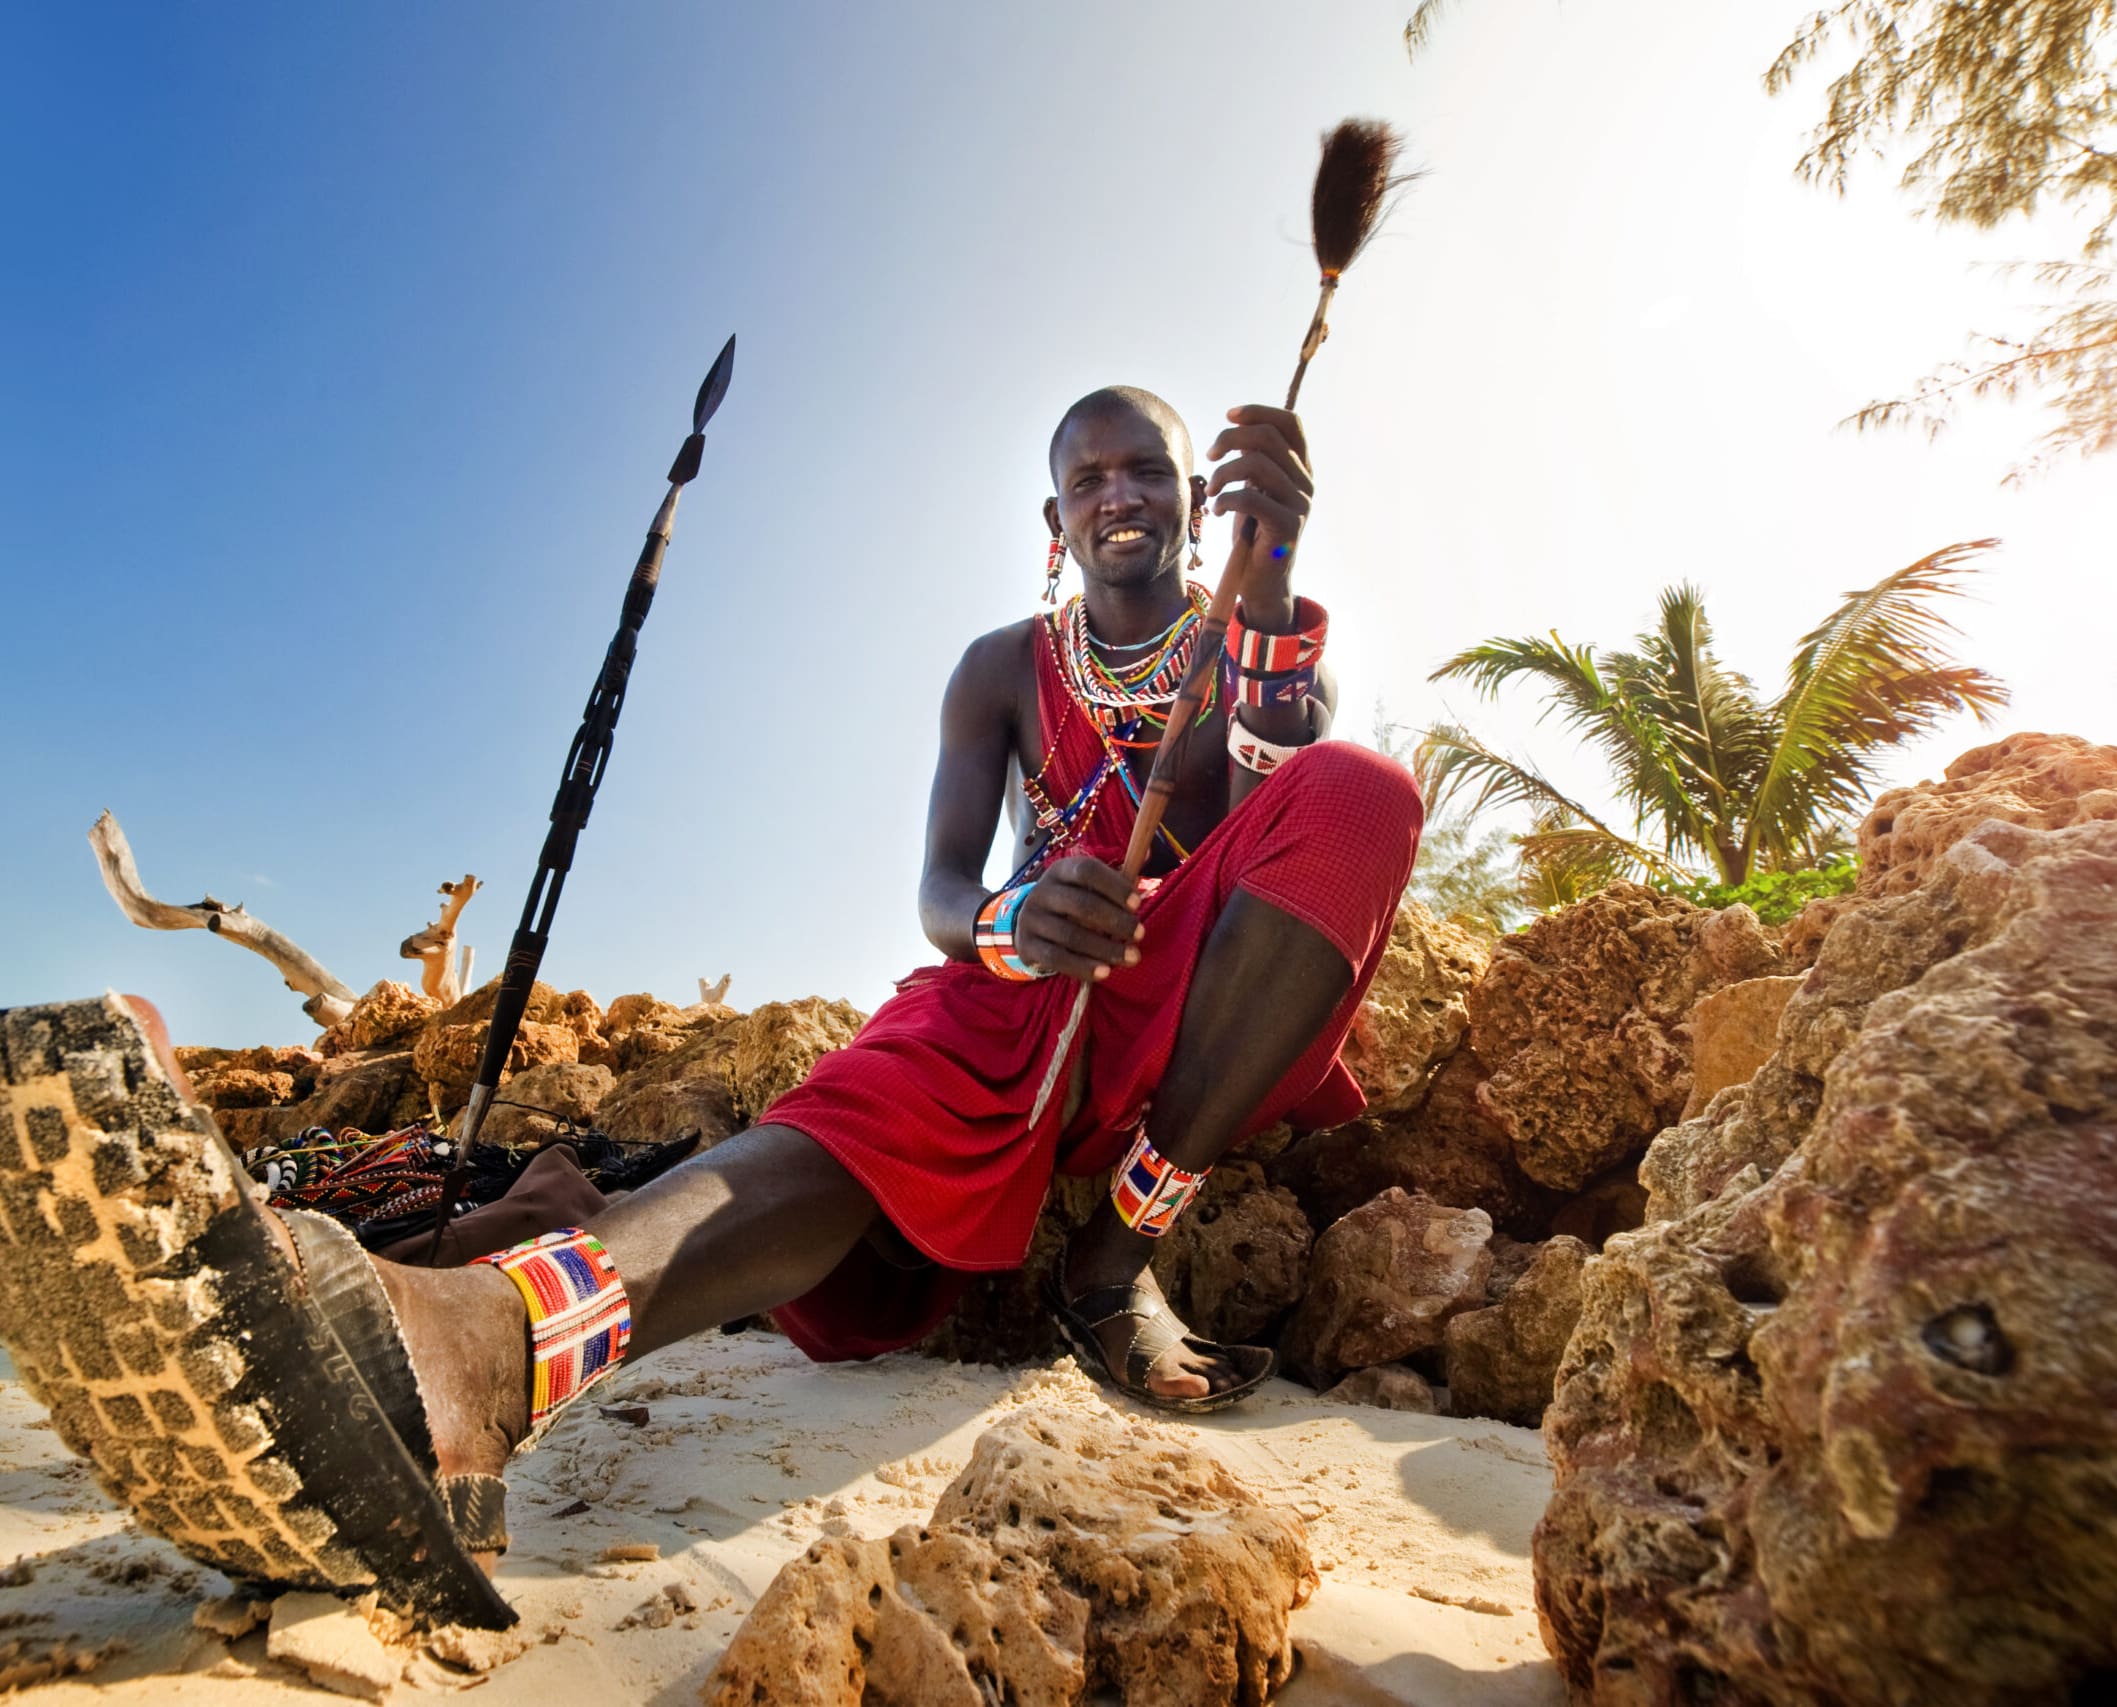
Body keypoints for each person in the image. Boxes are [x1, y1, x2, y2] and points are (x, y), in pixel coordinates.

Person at [0, 385, 1422, 1613]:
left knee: (1356, 786)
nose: (1118, 493)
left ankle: (1113, 1262)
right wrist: (1003, 919)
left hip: (1180, 1001)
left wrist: (1277, 584)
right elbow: (937, 887)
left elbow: (1271, 802)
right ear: (1051, 520)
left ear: (1194, 500)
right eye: (1086, 477)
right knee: (855, 1117)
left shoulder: (1251, 635)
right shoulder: (1000, 670)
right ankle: (491, 1350)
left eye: (1146, 472)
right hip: (1013, 993)